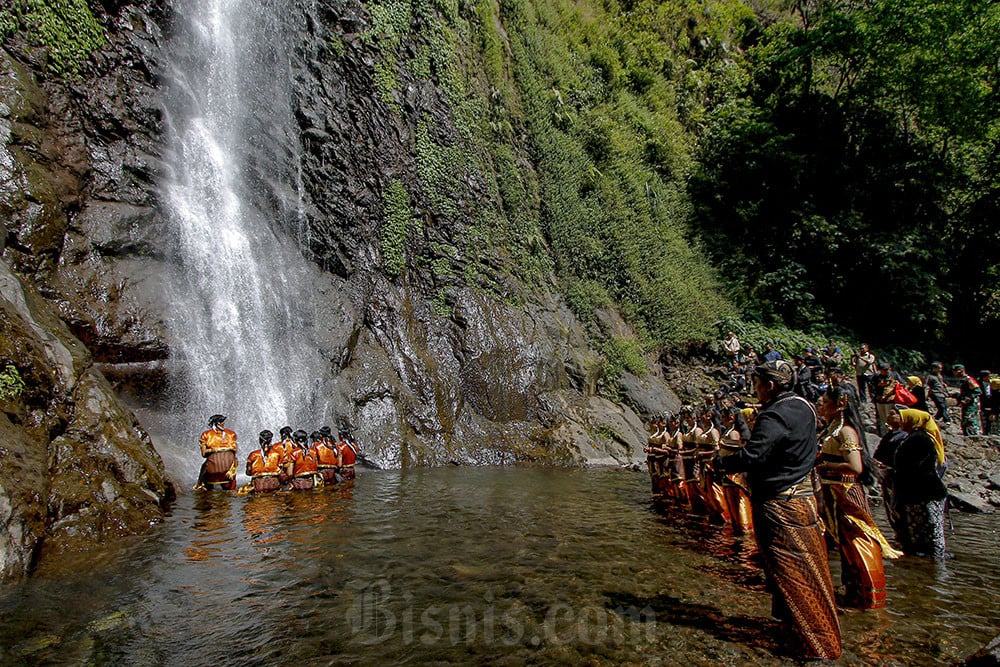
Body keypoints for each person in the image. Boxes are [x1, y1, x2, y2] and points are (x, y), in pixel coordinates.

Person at [714, 360, 841, 660]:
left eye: (757, 384)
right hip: (803, 498)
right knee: (808, 568)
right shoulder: (805, 406)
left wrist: (722, 463)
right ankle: (804, 632)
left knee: (788, 570)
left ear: (770, 385)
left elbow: (755, 454)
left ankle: (812, 644)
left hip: (780, 503)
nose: (755, 390)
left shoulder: (775, 414)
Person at [815, 387, 900, 610]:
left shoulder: (846, 432)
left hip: (846, 492)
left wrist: (825, 465)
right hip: (831, 491)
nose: (820, 404)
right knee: (845, 543)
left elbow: (855, 466)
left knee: (858, 539)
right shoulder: (831, 429)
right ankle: (853, 591)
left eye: (825, 401)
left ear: (840, 404)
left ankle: (871, 596)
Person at [894, 409, 948, 558]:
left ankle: (934, 560)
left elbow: (914, 465)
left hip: (925, 492)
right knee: (926, 529)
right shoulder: (913, 437)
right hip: (921, 492)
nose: (900, 421)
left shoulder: (919, 439)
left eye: (903, 418)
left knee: (930, 528)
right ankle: (929, 561)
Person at [718, 406, 753, 535]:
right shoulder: (728, 431)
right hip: (727, 472)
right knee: (731, 501)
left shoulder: (735, 433)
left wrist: (721, 446)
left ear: (731, 417)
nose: (722, 419)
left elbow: (738, 449)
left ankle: (744, 528)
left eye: (724, 416)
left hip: (735, 473)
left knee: (738, 501)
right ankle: (736, 527)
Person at [873, 410, 907, 538]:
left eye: (893, 414)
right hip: (887, 476)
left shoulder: (904, 437)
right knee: (891, 507)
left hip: (896, 477)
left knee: (898, 507)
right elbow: (878, 454)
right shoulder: (889, 435)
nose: (888, 416)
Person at [195, 414, 238, 490]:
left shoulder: (206, 434)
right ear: (218, 423)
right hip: (229, 469)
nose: (223, 423)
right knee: (235, 462)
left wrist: (213, 451)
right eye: (222, 422)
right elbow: (235, 451)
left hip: (212, 469)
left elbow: (203, 454)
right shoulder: (231, 434)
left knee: (204, 467)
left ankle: (199, 483)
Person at [245, 430, 286, 494]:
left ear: (259, 441)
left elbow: (248, 472)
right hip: (273, 483)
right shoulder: (277, 454)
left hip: (259, 484)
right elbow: (281, 471)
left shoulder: (253, 455)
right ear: (271, 440)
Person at [872, 362, 902, 435]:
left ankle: (892, 431)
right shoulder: (877, 376)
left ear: (890, 369)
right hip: (879, 399)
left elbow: (901, 385)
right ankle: (885, 432)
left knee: (890, 416)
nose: (885, 372)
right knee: (882, 417)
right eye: (883, 370)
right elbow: (872, 386)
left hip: (890, 400)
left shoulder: (894, 375)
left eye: (886, 370)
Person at [953, 364, 982, 436]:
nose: (955, 373)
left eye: (956, 371)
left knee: (969, 418)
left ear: (961, 371)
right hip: (966, 404)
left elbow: (977, 391)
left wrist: (968, 399)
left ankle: (974, 435)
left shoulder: (969, 380)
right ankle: (967, 435)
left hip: (971, 404)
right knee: (965, 420)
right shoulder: (962, 380)